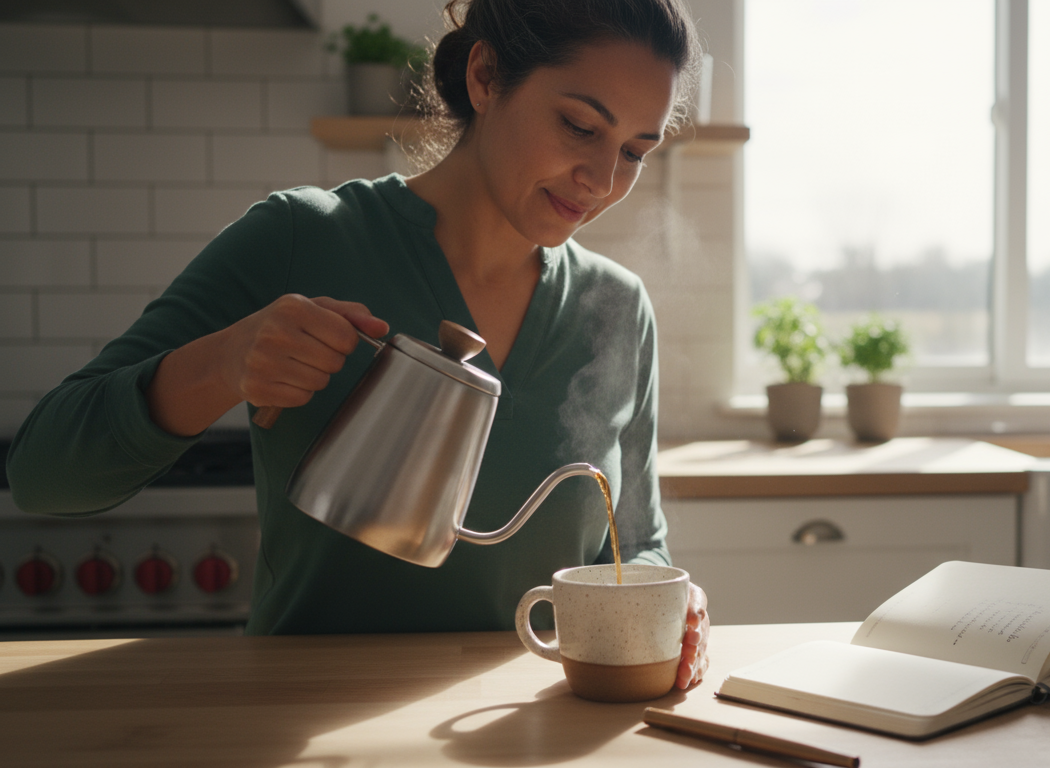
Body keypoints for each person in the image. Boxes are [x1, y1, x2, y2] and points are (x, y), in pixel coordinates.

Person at [5, 0, 709, 690]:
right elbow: (41, 476)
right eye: (580, 125)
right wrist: (223, 363)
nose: (604, 180)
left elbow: (636, 542)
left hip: (510, 739)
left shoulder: (617, 309)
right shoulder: (300, 238)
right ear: (486, 77)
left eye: (635, 151)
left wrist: (673, 602)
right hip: (294, 731)